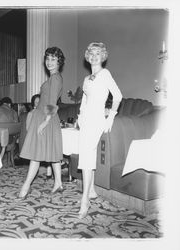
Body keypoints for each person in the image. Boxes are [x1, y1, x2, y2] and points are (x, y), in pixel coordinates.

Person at [77, 42, 122, 219]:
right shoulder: (87, 79)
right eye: (92, 53)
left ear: (102, 56)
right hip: (86, 119)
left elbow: (118, 96)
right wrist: (80, 115)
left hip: (97, 119)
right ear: (88, 56)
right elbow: (84, 100)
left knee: (86, 155)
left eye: (98, 53)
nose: (94, 56)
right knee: (87, 153)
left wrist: (111, 116)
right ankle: (92, 191)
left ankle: (84, 200)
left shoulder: (105, 74)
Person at [18, 46, 65, 198]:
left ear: (59, 62)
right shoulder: (53, 78)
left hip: (47, 117)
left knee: (36, 155)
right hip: (44, 116)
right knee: (52, 153)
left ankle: (25, 187)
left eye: (53, 59)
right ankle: (58, 182)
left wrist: (45, 121)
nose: (49, 62)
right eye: (47, 59)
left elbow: (52, 102)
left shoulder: (56, 78)